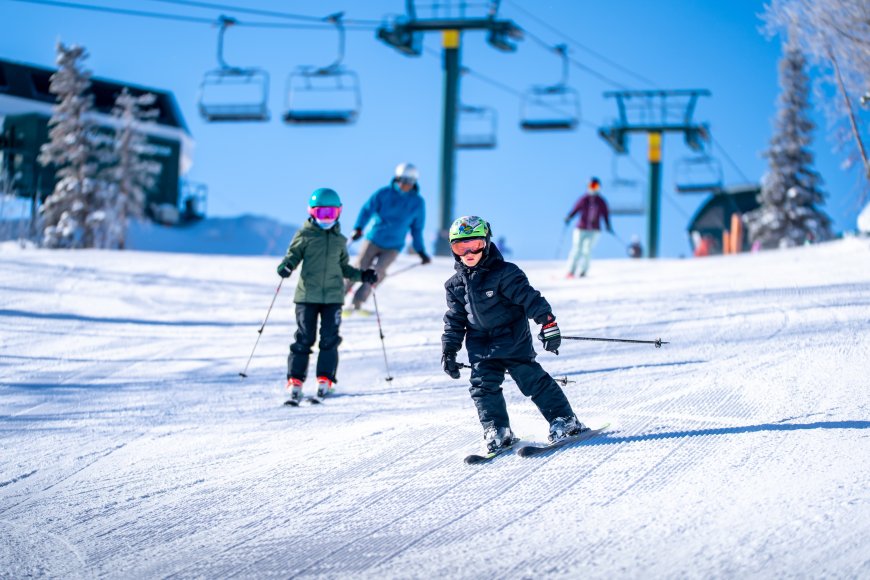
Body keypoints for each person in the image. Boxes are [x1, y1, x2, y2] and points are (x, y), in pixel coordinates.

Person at [440, 215, 588, 454]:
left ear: (486, 243)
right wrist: (449, 350)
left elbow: (530, 298)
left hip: (512, 339)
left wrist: (547, 323)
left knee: (531, 380)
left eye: (475, 245)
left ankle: (565, 420)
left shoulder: (505, 273)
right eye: (460, 247)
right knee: (482, 387)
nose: (468, 252)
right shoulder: (454, 285)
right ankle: (497, 430)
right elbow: (455, 320)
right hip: (480, 347)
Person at [276, 188, 378, 404]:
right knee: (304, 338)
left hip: (333, 297)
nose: (326, 219)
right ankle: (295, 380)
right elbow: (292, 256)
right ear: (312, 212)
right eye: (322, 213)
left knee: (330, 339)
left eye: (331, 214)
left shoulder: (340, 240)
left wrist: (363, 275)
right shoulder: (304, 235)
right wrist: (286, 267)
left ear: (339, 213)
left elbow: (344, 268)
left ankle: (325, 379)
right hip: (307, 297)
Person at [346, 163, 430, 312]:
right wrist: (359, 228)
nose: (406, 185)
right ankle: (336, 298)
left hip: (394, 245)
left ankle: (357, 302)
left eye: (410, 182)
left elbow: (417, 229)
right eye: (403, 181)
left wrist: (421, 251)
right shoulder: (384, 194)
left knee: (378, 273)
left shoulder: (417, 203)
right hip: (374, 238)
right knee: (360, 268)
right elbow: (367, 210)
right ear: (398, 179)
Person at [564, 176, 612, 278]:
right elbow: (575, 209)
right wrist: (569, 217)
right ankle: (571, 271)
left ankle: (583, 271)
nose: (593, 188)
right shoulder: (584, 199)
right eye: (591, 186)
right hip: (581, 228)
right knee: (576, 248)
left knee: (587, 250)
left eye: (596, 186)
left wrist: (608, 225)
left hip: (594, 230)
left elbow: (605, 214)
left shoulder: (601, 201)